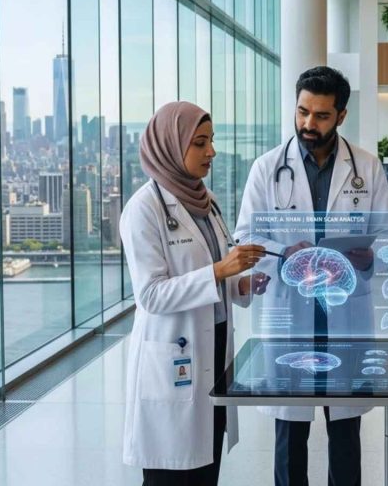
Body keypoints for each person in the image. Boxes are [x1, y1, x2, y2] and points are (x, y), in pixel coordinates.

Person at [233, 66, 388, 486]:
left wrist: (369, 257)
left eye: (321, 115)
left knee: (345, 434)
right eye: (303, 111)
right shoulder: (267, 168)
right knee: (291, 433)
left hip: (346, 309)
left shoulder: (367, 167)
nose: (308, 124)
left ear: (341, 115)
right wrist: (284, 254)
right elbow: (246, 237)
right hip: (291, 310)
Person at [120, 101, 269, 486]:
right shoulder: (144, 209)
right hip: (174, 355)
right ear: (171, 146)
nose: (212, 152)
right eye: (200, 143)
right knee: (170, 475)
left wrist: (245, 281)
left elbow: (219, 276)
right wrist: (222, 270)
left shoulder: (207, 202)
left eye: (212, 141)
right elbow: (150, 295)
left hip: (214, 346)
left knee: (206, 471)